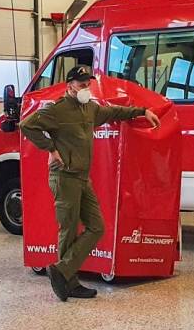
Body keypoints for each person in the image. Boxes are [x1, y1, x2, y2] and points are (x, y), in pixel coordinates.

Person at [20, 65, 162, 301]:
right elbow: (27, 125)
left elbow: (115, 112)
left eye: (88, 84)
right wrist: (51, 149)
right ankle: (69, 281)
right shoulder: (57, 109)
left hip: (82, 178)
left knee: (97, 227)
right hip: (64, 177)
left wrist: (143, 111)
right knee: (68, 229)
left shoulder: (90, 109)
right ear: (70, 86)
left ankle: (63, 270)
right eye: (82, 84)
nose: (86, 87)